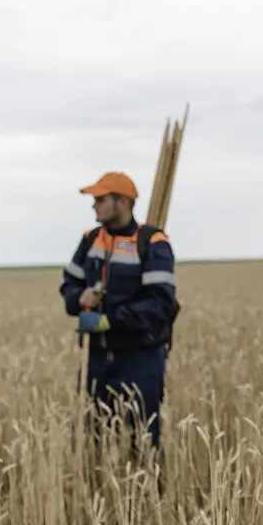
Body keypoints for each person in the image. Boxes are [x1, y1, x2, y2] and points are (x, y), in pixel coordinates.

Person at [59, 171, 179, 467]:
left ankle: (147, 503)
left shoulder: (152, 243)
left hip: (141, 358)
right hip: (97, 359)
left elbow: (160, 304)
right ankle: (95, 497)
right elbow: (68, 287)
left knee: (144, 440)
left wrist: (110, 320)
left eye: (100, 199)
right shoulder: (90, 241)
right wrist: (79, 299)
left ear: (123, 202)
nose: (93, 205)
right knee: (89, 438)